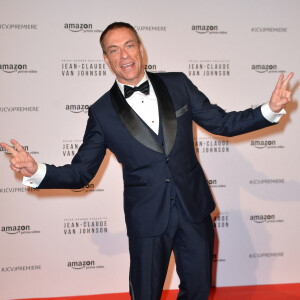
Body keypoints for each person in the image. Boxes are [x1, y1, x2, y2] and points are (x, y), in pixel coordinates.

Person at [1, 22, 294, 300]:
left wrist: (269, 109)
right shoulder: (101, 113)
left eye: (129, 45)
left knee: (198, 290)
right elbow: (82, 172)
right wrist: (37, 171)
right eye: (114, 50)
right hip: (147, 219)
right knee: (145, 293)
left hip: (194, 211)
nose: (124, 55)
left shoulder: (178, 84)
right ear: (105, 58)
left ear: (141, 49)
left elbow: (222, 123)